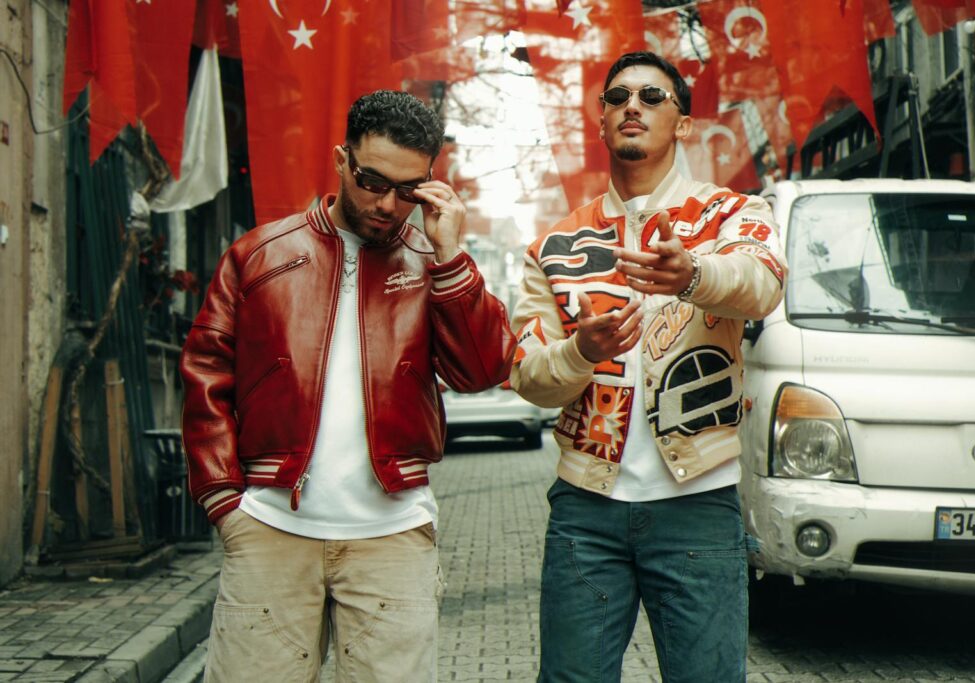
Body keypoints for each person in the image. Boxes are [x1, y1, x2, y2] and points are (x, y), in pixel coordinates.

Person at [180, 90, 515, 682]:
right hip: (270, 531)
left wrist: (451, 256)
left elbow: (483, 371)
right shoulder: (259, 256)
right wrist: (224, 502)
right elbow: (207, 372)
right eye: (371, 180)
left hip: (392, 536)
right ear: (342, 160)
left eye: (406, 189)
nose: (387, 203)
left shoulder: (432, 262)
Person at [510, 52, 787, 682]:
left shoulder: (730, 216)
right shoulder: (554, 247)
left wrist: (694, 273)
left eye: (652, 96)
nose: (632, 105)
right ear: (602, 122)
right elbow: (527, 375)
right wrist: (583, 352)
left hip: (699, 503)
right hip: (586, 510)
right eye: (618, 97)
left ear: (682, 124)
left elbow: (762, 283)